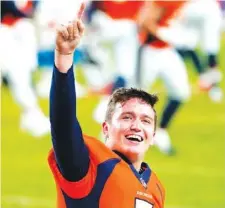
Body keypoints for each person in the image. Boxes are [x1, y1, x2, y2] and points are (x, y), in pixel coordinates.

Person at [48, 3, 165, 208]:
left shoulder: (155, 186)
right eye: (127, 117)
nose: (136, 125)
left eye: (146, 120)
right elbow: (63, 124)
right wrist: (64, 58)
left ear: (153, 136)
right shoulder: (91, 165)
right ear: (106, 128)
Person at [137, 0, 191, 155]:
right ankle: (119, 137)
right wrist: (163, 34)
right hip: (150, 51)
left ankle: (161, 131)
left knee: (181, 92)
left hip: (168, 51)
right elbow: (144, 22)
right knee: (137, 96)